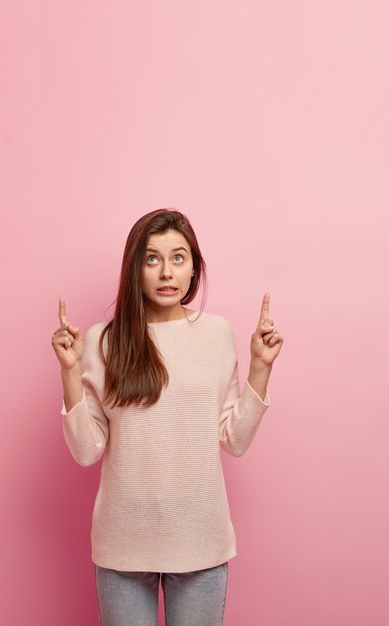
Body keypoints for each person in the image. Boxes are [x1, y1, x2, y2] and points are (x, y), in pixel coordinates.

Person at [51, 208, 283, 626]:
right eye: (152, 259)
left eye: (178, 258)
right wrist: (70, 372)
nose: (166, 272)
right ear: (135, 268)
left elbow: (234, 439)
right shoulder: (103, 339)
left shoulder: (216, 334)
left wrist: (260, 368)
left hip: (200, 540)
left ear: (194, 268)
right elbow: (87, 451)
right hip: (123, 542)